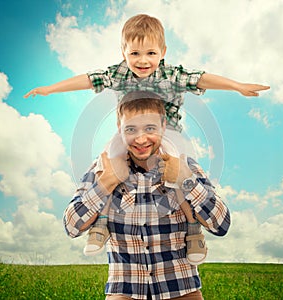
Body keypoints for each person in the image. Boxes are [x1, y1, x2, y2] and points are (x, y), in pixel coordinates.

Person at [24, 14, 269, 262]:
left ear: (162, 52)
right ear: (123, 52)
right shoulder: (118, 74)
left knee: (176, 171)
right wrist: (50, 89)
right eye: (135, 54)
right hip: (130, 132)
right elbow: (89, 79)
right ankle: (101, 223)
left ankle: (193, 229)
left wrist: (237, 85)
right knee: (109, 162)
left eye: (151, 53)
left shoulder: (172, 75)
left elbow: (201, 78)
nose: (143, 61)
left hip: (168, 134)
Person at [63, 91, 231, 299]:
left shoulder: (184, 165)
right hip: (124, 291)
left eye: (150, 128)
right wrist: (107, 182)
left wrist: (186, 181)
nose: (141, 139)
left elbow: (221, 225)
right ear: (119, 129)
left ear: (163, 126)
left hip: (181, 289)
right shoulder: (103, 168)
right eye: (131, 129)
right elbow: (71, 227)